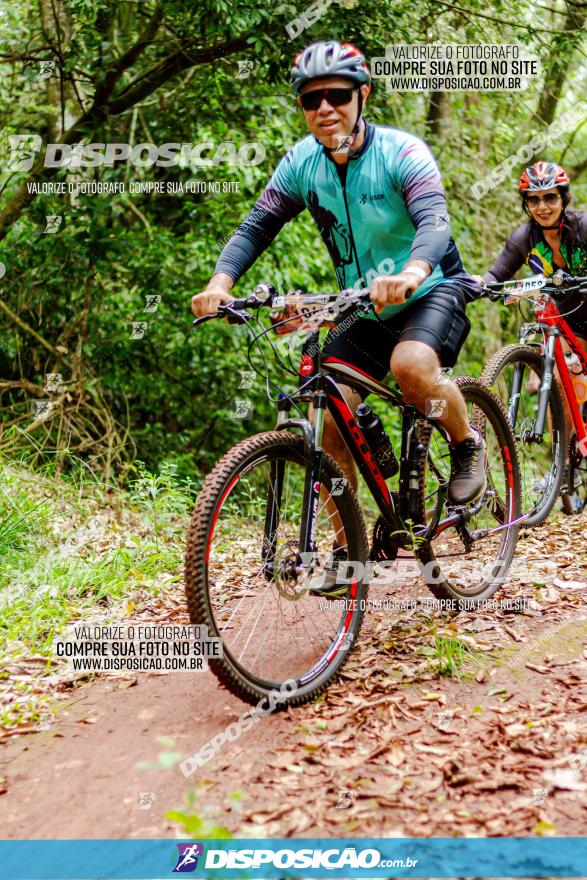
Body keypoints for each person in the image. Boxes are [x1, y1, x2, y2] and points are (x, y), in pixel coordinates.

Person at [192, 40, 485, 518]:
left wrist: (412, 272)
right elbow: (256, 226)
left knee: (411, 366)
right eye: (311, 99)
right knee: (327, 410)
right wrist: (220, 283)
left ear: (362, 95)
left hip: (432, 287)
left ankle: (466, 441)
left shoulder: (402, 152)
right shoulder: (301, 164)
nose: (325, 108)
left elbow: (434, 221)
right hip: (364, 303)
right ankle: (346, 548)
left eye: (337, 95)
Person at [472, 161, 587, 491]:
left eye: (549, 198)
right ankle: (562, 463)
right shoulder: (524, 238)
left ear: (563, 198)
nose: (542, 207)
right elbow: (497, 275)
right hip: (568, 319)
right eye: (533, 200)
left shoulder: (583, 226)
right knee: (560, 380)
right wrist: (481, 285)